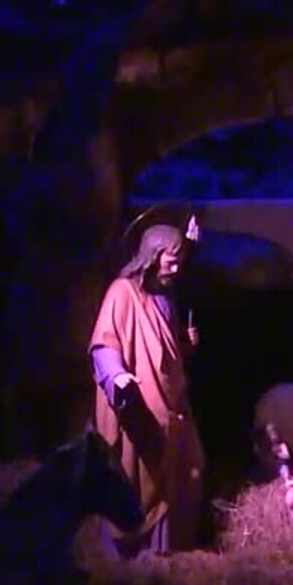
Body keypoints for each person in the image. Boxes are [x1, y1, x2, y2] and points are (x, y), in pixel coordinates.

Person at [88, 218, 206, 557]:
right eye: (171, 260)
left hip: (172, 409)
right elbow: (104, 344)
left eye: (180, 261)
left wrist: (184, 344)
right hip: (141, 411)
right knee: (140, 483)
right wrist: (117, 375)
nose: (176, 268)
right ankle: (134, 560)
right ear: (152, 256)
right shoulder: (122, 292)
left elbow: (162, 353)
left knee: (188, 472)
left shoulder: (163, 298)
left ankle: (166, 557)